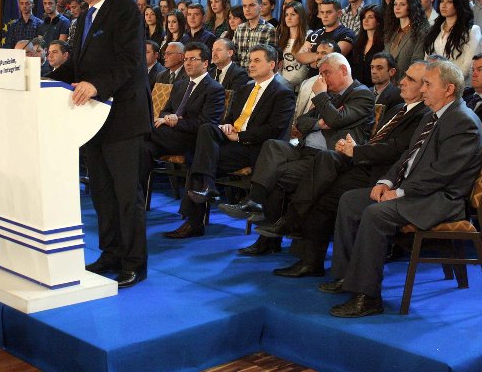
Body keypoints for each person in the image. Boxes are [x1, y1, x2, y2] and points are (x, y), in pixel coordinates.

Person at [320, 60, 482, 318]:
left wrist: (399, 192)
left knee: (375, 214)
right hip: (416, 192)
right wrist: (385, 182)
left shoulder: (463, 122)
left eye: (428, 84)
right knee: (350, 200)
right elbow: (407, 157)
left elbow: (441, 174)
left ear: (449, 89)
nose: (423, 89)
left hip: (440, 200)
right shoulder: (432, 115)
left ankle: (368, 297)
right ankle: (346, 277)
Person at [266, 61, 429, 277]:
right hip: (364, 161)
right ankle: (305, 252)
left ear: (425, 86)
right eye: (405, 76)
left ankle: (298, 234)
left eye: (410, 79)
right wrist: (355, 147)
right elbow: (303, 122)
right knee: (321, 172)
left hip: (381, 173)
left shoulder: (422, 114)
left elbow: (395, 150)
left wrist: (357, 151)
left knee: (322, 186)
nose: (401, 82)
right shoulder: (399, 109)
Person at [51, 0, 152, 289]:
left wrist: (97, 85)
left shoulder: (125, 10)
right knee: (102, 193)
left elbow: (129, 61)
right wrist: (45, 78)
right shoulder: (84, 16)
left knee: (126, 196)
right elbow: (77, 64)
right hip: (92, 119)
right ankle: (110, 254)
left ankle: (134, 263)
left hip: (123, 118)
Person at [220, 53, 374, 254]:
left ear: (343, 70)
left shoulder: (361, 95)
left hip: (328, 157)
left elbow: (336, 120)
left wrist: (321, 96)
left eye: (326, 73)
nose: (322, 79)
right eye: (320, 74)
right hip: (303, 148)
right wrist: (319, 123)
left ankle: (271, 237)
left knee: (277, 174)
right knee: (273, 146)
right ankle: (254, 200)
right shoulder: (330, 96)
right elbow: (301, 122)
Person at [166, 44, 295, 238]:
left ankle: (194, 221)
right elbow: (231, 118)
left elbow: (275, 129)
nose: (251, 65)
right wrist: (227, 126)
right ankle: (207, 188)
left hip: (254, 148)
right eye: (250, 61)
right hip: (232, 141)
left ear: (272, 65)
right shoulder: (245, 88)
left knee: (199, 160)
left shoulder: (282, 92)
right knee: (207, 130)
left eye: (257, 61)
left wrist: (240, 136)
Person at [142, 42, 225, 198]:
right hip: (166, 137)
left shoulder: (214, 89)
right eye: (186, 59)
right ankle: (135, 197)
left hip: (190, 139)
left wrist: (176, 121)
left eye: (193, 59)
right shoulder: (179, 85)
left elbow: (207, 124)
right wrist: (168, 116)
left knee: (142, 131)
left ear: (205, 63)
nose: (187, 63)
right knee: (142, 148)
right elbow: (165, 110)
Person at [424, 0, 481, 85]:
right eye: (442, 1)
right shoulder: (434, 29)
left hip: (457, 84)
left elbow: (468, 65)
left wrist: (446, 82)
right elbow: (427, 58)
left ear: (459, 4)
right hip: (433, 83)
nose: (443, 5)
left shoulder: (472, 30)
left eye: (449, 2)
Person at [296, 0, 356, 77]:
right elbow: (299, 56)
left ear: (339, 13)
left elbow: (333, 58)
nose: (324, 16)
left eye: (328, 12)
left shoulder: (346, 33)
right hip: (311, 80)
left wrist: (309, 61)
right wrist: (323, 56)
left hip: (333, 80)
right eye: (322, 12)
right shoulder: (315, 33)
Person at [384, 0, 429, 82]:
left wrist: (403, 82)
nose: (397, 8)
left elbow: (416, 62)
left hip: (407, 83)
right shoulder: (391, 31)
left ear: (411, 6)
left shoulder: (421, 32)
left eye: (402, 4)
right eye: (395, 4)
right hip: (388, 83)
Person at [232, 0, 277, 70]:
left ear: (260, 7)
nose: (247, 9)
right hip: (239, 74)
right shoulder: (239, 28)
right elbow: (233, 55)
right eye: (244, 6)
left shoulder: (269, 29)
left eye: (252, 5)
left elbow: (269, 59)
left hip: (258, 74)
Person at [277, 1, 309, 89]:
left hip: (300, 86)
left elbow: (306, 67)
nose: (289, 18)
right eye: (286, 15)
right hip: (281, 83)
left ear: (300, 16)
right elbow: (279, 63)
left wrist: (288, 84)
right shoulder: (282, 36)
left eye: (293, 14)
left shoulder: (309, 36)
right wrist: (280, 82)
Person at [351, 4, 385, 86]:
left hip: (375, 87)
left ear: (378, 21)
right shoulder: (357, 41)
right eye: (364, 17)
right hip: (356, 86)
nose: (365, 21)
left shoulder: (384, 43)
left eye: (370, 17)